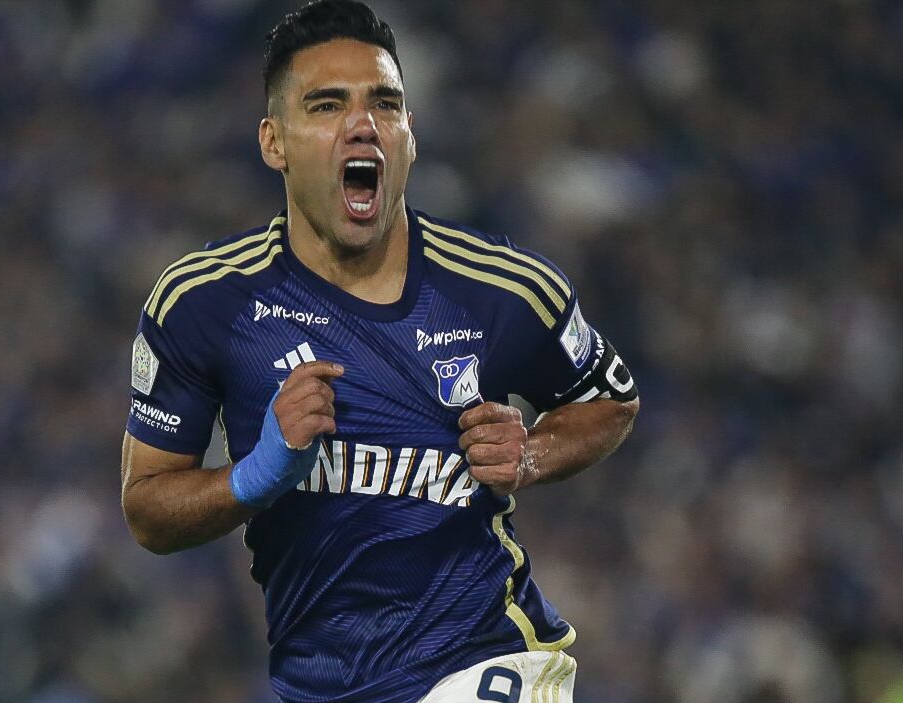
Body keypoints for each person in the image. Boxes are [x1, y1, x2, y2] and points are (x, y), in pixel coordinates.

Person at [120, 1, 639, 700]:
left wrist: (531, 455)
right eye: (327, 105)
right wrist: (255, 475)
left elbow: (610, 400)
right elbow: (148, 510)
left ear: (409, 137)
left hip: (487, 662)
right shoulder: (203, 303)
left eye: (384, 104)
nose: (362, 124)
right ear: (274, 142)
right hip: (317, 682)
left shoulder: (502, 288)